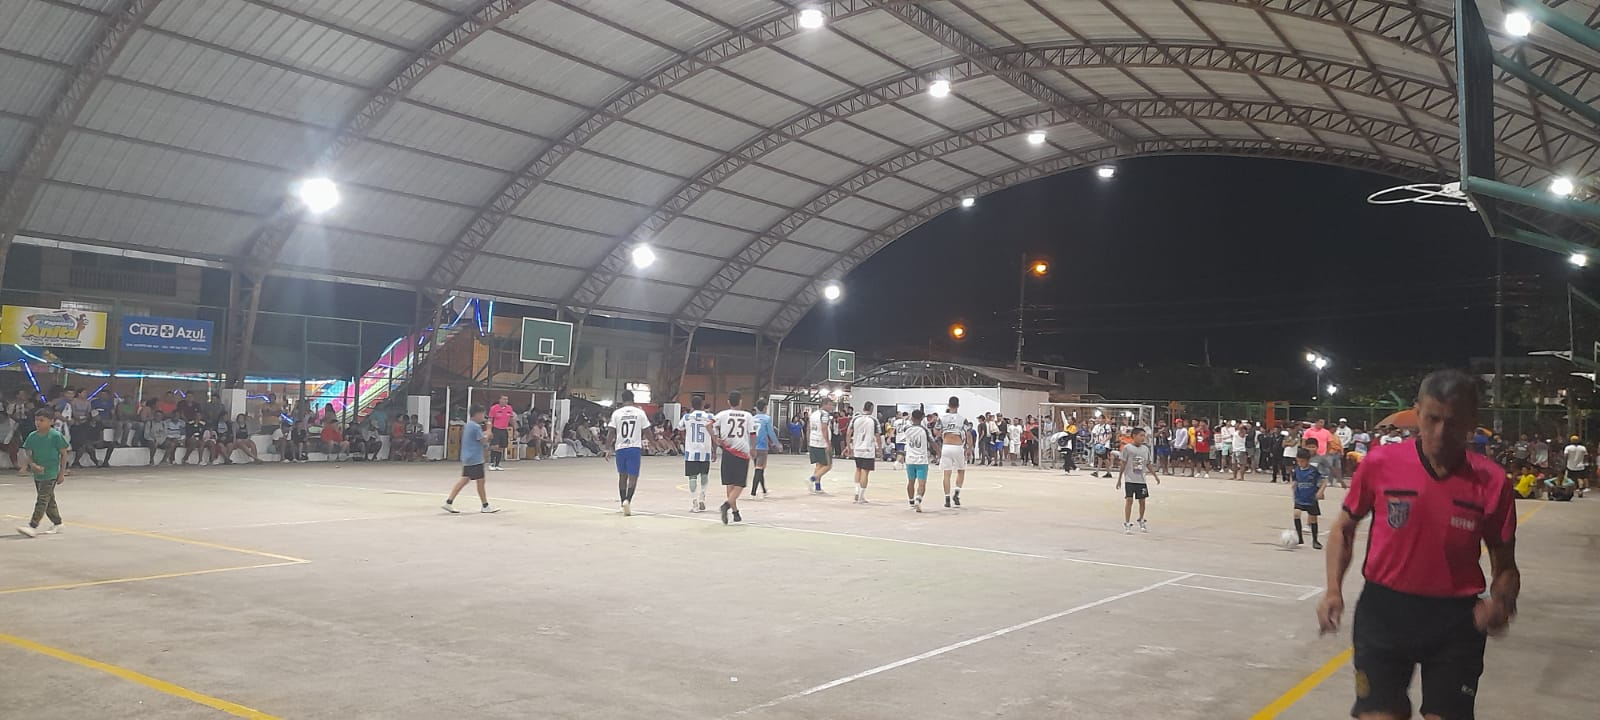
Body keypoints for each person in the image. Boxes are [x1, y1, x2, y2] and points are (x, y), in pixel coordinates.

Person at [1317, 369, 1519, 720]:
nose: (1440, 432)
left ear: (1472, 421)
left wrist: (1501, 603)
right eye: (1432, 419)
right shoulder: (1381, 464)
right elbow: (1343, 529)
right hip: (1384, 613)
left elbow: (1506, 567)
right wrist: (1333, 589)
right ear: (1417, 413)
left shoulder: (1492, 481)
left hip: (1455, 622)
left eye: (1453, 422)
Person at [16, 408, 70, 538]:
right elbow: (28, 452)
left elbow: (64, 454)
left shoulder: (55, 436)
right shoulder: (32, 436)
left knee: (42, 499)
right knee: (49, 500)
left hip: (50, 473)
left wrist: (61, 473)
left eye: (42, 420)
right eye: (36, 420)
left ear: (51, 421)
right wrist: (31, 464)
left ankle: (33, 526)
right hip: (38, 473)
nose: (38, 423)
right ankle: (58, 523)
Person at [441, 405, 498, 514]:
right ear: (477, 414)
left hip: (468, 457)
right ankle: (485, 505)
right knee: (480, 481)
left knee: (465, 480)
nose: (483, 417)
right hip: (475, 458)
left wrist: (486, 438)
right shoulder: (475, 427)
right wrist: (489, 430)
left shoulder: (468, 425)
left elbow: (479, 438)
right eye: (482, 414)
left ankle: (449, 502)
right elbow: (482, 441)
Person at [712, 391, 755, 525]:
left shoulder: (722, 414)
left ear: (728, 402)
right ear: (740, 401)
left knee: (729, 483)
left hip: (727, 451)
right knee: (740, 484)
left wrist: (715, 438)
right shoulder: (747, 416)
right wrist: (753, 448)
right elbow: (752, 434)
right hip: (742, 452)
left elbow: (709, 425)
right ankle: (727, 505)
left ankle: (735, 512)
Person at [607, 390, 650, 516]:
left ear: (622, 400)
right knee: (633, 477)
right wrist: (653, 443)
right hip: (634, 447)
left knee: (622, 476)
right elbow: (647, 430)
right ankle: (628, 501)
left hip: (620, 448)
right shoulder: (640, 413)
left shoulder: (617, 413)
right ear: (633, 399)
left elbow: (611, 432)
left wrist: (607, 448)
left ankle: (622, 503)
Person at [1115, 427, 1159, 534]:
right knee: (1129, 500)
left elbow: (1148, 464)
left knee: (1142, 501)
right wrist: (1119, 478)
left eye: (1144, 436)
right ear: (1134, 436)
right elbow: (1123, 463)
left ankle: (1141, 519)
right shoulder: (1127, 448)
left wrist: (1155, 476)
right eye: (1141, 435)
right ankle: (1127, 522)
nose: (1143, 438)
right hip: (1130, 479)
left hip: (1141, 480)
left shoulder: (1145, 449)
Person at [677, 396, 716, 512]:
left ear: (692, 405)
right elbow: (714, 433)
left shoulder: (687, 417)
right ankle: (702, 497)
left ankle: (694, 502)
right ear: (702, 405)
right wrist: (714, 450)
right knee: (704, 475)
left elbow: (679, 428)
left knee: (692, 477)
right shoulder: (710, 417)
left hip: (691, 451)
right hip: (705, 450)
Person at [1290, 448, 1325, 549]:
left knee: (1313, 519)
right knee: (1296, 514)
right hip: (1300, 497)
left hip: (1311, 498)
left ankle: (1315, 540)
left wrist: (1320, 491)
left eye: (1302, 461)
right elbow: (1295, 480)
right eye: (1298, 461)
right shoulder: (1296, 470)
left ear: (1308, 460)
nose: (1300, 463)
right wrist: (1293, 486)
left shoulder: (1313, 470)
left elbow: (1323, 481)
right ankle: (1300, 538)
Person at [937, 396, 969, 508]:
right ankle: (956, 493)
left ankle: (947, 498)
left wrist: (942, 434)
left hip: (946, 445)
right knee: (961, 470)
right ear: (958, 405)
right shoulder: (962, 419)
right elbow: (968, 433)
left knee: (947, 473)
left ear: (948, 405)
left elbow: (936, 431)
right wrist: (969, 448)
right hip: (957, 446)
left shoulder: (942, 418)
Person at [849, 402, 881, 504]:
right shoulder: (874, 420)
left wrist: (849, 446)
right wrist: (879, 449)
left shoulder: (855, 418)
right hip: (868, 449)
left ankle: (856, 491)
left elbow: (848, 433)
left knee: (858, 469)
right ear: (871, 409)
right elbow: (878, 435)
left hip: (857, 448)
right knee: (865, 471)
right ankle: (861, 496)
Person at [901, 409, 932, 512]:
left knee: (911, 481)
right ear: (922, 418)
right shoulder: (924, 430)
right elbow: (932, 442)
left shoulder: (907, 429)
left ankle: (911, 501)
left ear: (912, 418)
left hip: (910, 459)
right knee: (922, 483)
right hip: (921, 460)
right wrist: (939, 453)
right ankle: (918, 499)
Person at [751, 400, 779, 498]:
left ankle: (764, 490)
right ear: (765, 408)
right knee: (759, 469)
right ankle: (753, 492)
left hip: (753, 446)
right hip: (762, 446)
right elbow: (770, 432)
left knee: (759, 468)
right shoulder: (767, 418)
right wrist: (777, 444)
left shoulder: (752, 419)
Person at [806, 399, 834, 494]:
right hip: (822, 443)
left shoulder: (813, 414)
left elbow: (808, 428)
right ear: (824, 405)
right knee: (828, 465)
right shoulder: (824, 415)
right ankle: (812, 479)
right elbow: (824, 428)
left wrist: (808, 441)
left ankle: (817, 487)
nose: (831, 407)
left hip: (813, 442)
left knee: (819, 465)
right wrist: (828, 443)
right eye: (830, 405)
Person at [487, 395, 514, 470]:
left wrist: (515, 429)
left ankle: (497, 464)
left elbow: (511, 419)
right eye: (504, 399)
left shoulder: (509, 408)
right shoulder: (494, 408)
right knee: (495, 446)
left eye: (506, 399)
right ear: (500, 400)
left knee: (501, 447)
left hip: (504, 429)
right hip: (496, 428)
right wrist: (489, 430)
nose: (505, 401)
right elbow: (490, 420)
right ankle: (492, 463)